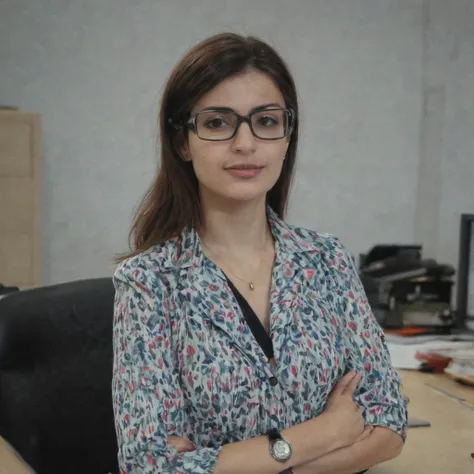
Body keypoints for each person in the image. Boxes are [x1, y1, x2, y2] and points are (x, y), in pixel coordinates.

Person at [112, 32, 408, 474]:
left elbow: (388, 420)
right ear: (182, 142)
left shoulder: (326, 260)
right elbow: (151, 465)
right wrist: (326, 432)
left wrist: (244, 463)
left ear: (287, 137)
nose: (246, 144)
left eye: (266, 122)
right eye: (217, 122)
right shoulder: (149, 282)